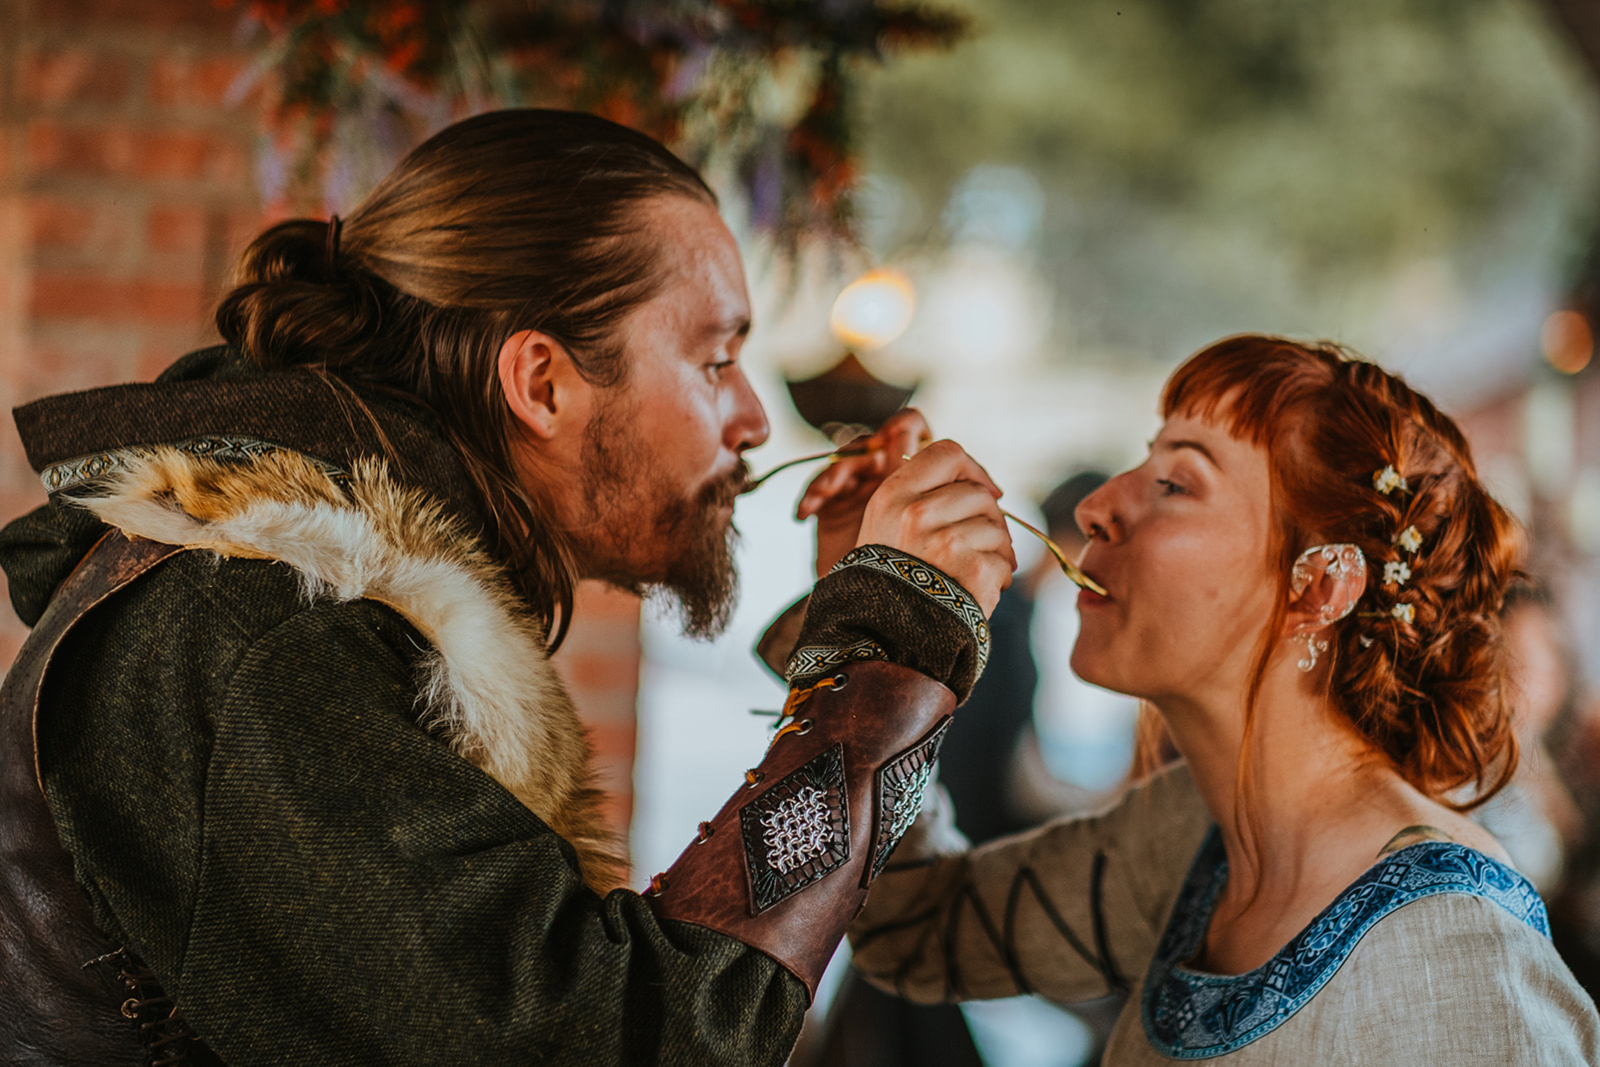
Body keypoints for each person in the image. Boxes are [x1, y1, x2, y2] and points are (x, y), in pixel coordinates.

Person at [0, 109, 1016, 1066]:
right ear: (540, 383)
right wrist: (888, 642)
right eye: (715, 358)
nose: (753, 416)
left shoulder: (301, 604)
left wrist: (856, 632)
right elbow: (625, 1034)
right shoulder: (255, 631)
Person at [847, 335, 1600, 1063]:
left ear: (1322, 586)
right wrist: (870, 633)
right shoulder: (1184, 835)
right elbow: (909, 924)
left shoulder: (1465, 970)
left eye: (1175, 482)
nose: (1097, 507)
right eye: (1142, 464)